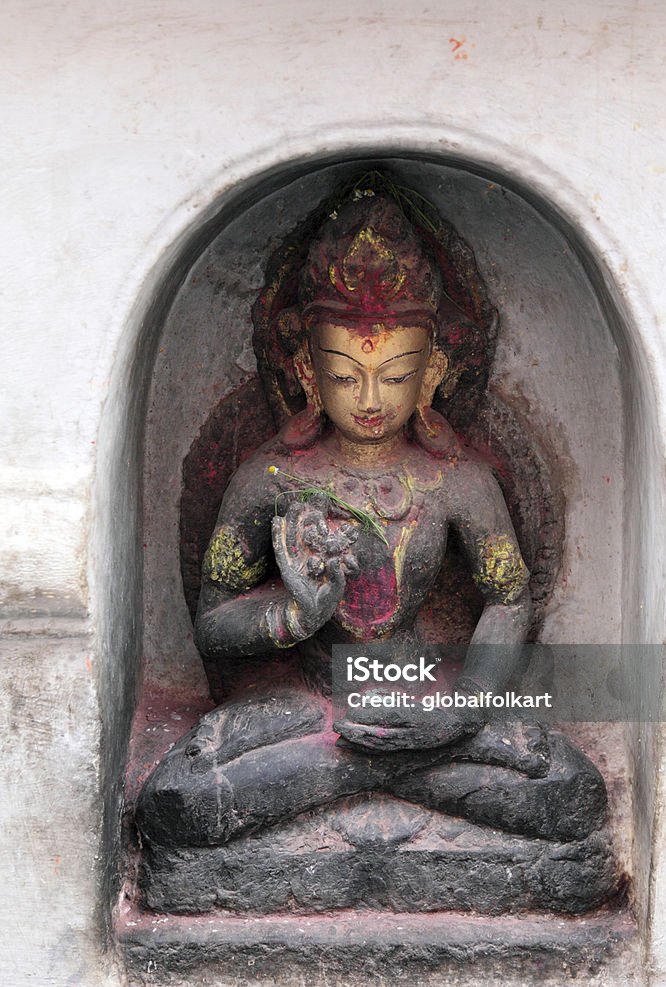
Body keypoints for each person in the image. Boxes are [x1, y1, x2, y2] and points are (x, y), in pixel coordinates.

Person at [136, 193, 607, 850]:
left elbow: (509, 596)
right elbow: (214, 625)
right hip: (308, 694)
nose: (369, 399)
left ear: (432, 373)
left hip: (422, 685)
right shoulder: (272, 480)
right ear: (306, 370)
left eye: (393, 376)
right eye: (344, 375)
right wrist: (295, 616)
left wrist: (465, 706)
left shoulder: (458, 481)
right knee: (175, 800)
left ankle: (352, 770)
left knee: (572, 790)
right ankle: (388, 768)